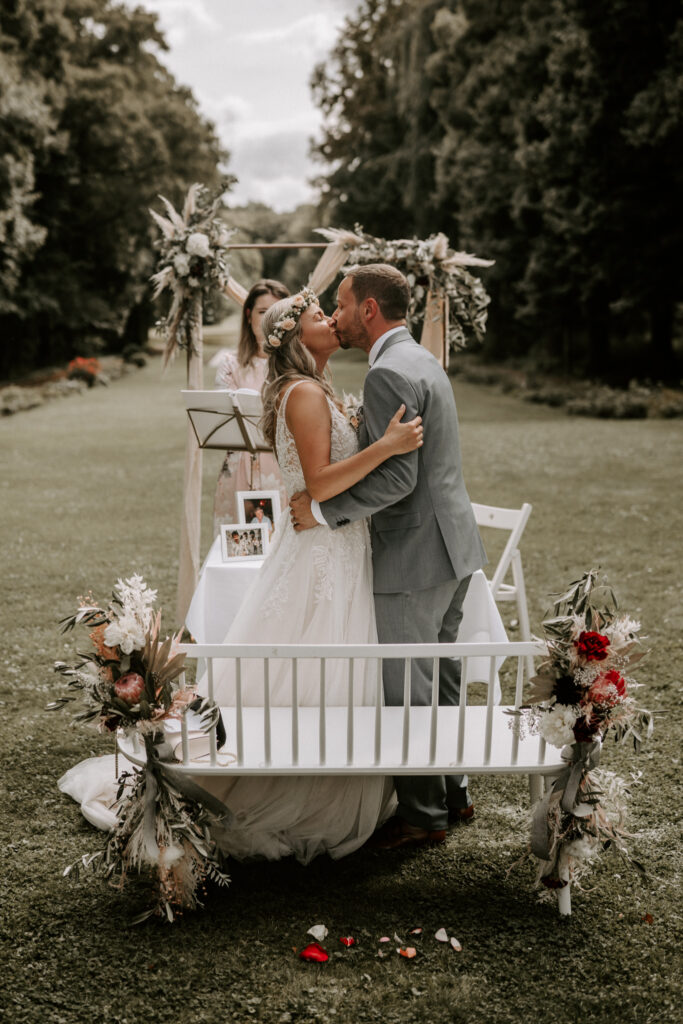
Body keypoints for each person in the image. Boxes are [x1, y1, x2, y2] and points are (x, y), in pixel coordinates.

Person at [197, 286, 424, 864]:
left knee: (331, 660)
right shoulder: (302, 393)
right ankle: (298, 791)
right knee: (316, 657)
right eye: (321, 316)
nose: (333, 320)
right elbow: (320, 483)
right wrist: (387, 446)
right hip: (321, 549)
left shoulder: (316, 387)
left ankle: (331, 779)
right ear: (298, 337)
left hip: (337, 543)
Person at [290, 263, 487, 851]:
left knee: (408, 687)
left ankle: (423, 815)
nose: (336, 316)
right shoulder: (421, 358)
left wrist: (324, 512)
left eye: (341, 305)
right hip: (453, 547)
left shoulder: (386, 373)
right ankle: (453, 791)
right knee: (441, 678)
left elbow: (398, 479)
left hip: (412, 555)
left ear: (369, 309)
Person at [213, 279, 289, 536]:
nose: (269, 320)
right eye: (263, 312)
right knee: (242, 546)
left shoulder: (294, 366)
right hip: (239, 469)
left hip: (284, 469)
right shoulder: (230, 365)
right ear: (248, 315)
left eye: (277, 312)